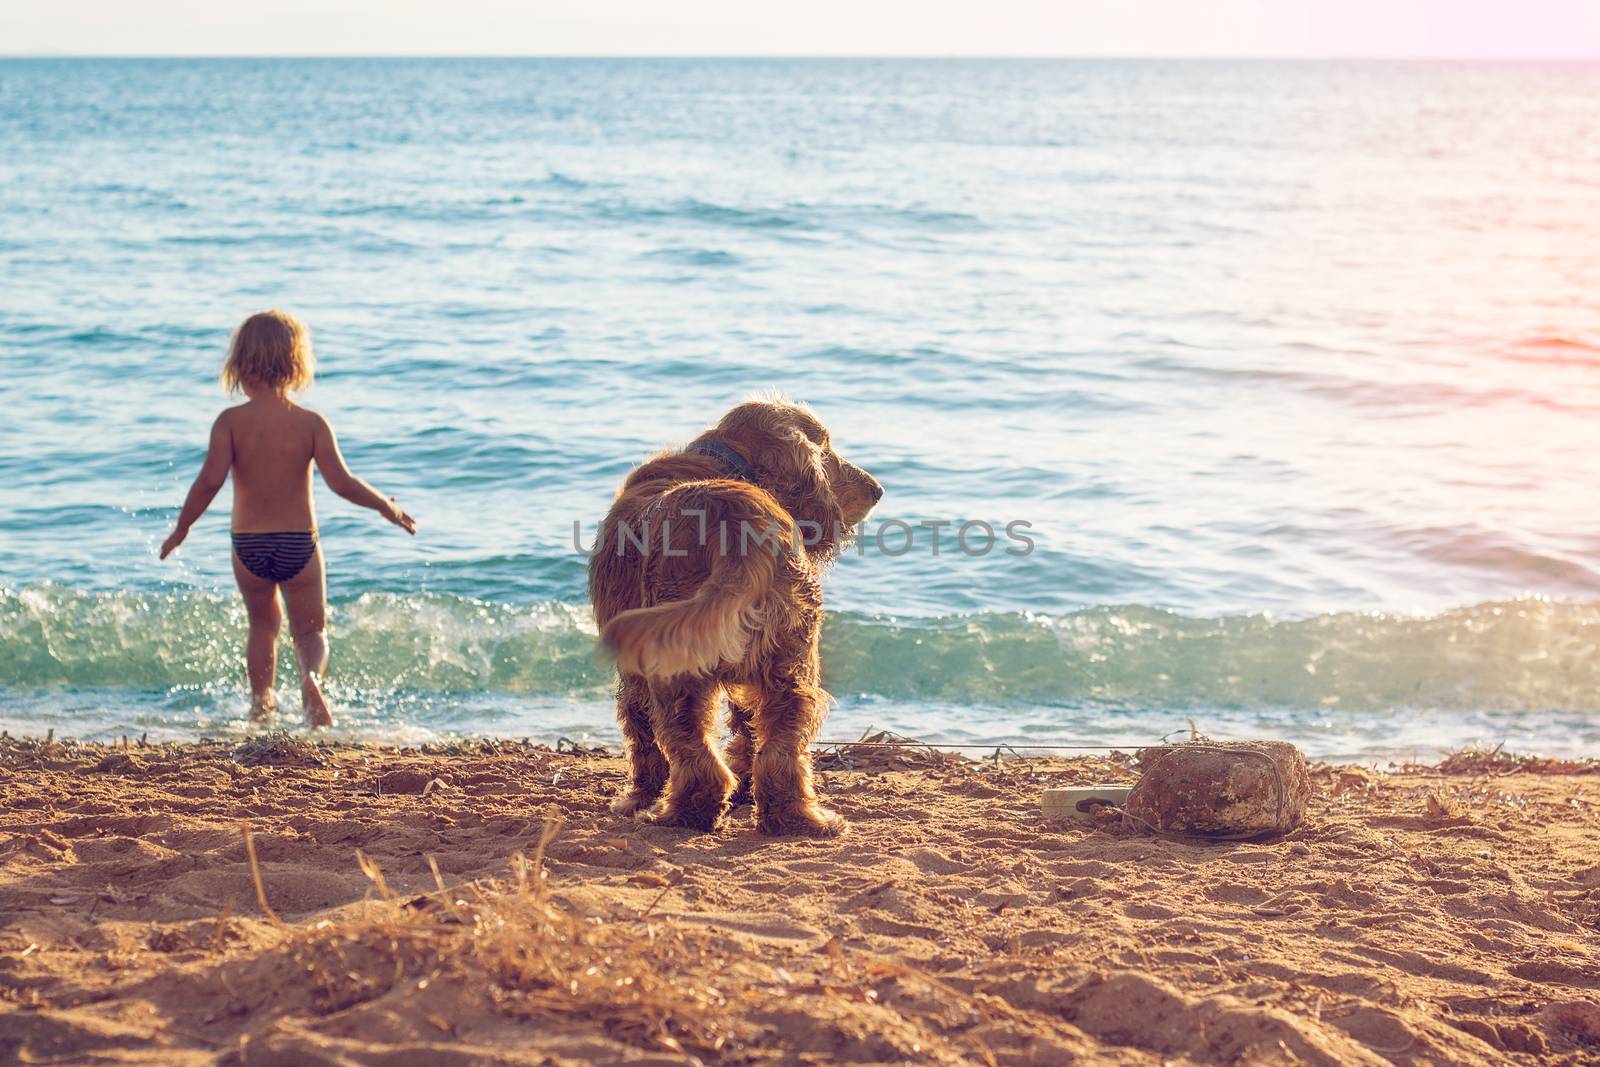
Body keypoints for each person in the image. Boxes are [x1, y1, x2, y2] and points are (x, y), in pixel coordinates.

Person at [160, 310, 416, 726]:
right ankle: (311, 681)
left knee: (262, 626)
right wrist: (385, 507)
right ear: (296, 363)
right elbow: (342, 482)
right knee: (310, 631)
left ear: (240, 364)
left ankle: (261, 703)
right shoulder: (312, 424)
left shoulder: (229, 423)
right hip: (299, 544)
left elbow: (208, 482)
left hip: (249, 546)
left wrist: (181, 528)